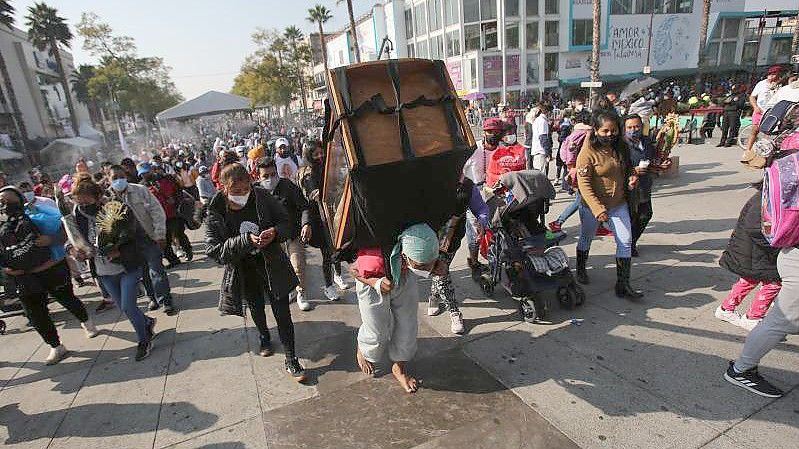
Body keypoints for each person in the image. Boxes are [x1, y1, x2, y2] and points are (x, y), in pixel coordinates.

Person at [205, 163, 306, 381]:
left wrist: (275, 232)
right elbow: (213, 250)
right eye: (236, 192)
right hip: (243, 269)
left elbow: (287, 222)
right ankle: (263, 336)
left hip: (271, 263)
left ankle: (291, 358)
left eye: (245, 189)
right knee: (256, 307)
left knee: (282, 312)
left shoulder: (262, 197)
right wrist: (244, 242)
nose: (242, 195)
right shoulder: (216, 210)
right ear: (224, 188)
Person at [0, 186, 97, 365]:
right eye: (1, 202)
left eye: (9, 201)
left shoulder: (38, 213)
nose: (5, 205)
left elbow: (65, 229)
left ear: (20, 201)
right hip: (25, 279)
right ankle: (56, 345)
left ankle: (86, 321)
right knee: (35, 314)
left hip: (51, 268)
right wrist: (6, 270)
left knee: (68, 299)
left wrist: (51, 240)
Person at [351, 223, 445, 393]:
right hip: (373, 280)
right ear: (404, 255)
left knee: (408, 325)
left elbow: (427, 258)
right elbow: (354, 270)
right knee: (377, 328)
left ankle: (399, 367)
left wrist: (436, 265)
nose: (427, 270)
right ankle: (363, 348)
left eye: (429, 265)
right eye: (422, 266)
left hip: (404, 277)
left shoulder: (420, 248)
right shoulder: (375, 259)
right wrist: (375, 282)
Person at [71, 175, 156, 361]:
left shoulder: (116, 209)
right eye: (80, 202)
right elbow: (72, 237)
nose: (84, 206)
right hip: (104, 271)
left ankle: (144, 340)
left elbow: (135, 235)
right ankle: (147, 322)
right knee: (123, 307)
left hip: (127, 266)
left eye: (87, 201)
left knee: (128, 306)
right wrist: (75, 249)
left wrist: (120, 250)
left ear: (98, 196)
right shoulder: (78, 215)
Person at [574, 110, 643, 299]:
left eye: (613, 131)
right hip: (592, 206)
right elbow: (584, 184)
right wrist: (597, 209)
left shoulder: (621, 146)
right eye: (605, 131)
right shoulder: (587, 152)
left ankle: (623, 285)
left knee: (625, 240)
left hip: (618, 203)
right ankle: (580, 269)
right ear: (595, 130)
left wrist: (632, 177)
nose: (609, 135)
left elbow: (628, 167)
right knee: (586, 238)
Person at [109, 165, 178, 316]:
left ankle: (165, 300)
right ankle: (152, 297)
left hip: (147, 237)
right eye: (114, 178)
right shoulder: (107, 199)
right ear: (109, 179)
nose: (118, 180)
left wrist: (160, 234)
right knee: (143, 272)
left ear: (126, 177)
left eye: (121, 177)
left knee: (156, 270)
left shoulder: (139, 190)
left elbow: (157, 211)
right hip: (128, 245)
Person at [715, 186, 781, 331]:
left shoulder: (769, 192)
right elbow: (755, 227)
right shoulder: (769, 197)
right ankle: (754, 317)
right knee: (774, 283)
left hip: (752, 250)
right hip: (759, 250)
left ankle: (726, 309)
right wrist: (777, 241)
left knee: (750, 279)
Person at [428, 177, 489, 334]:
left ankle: (437, 298)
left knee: (441, 272)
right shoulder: (429, 178)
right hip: (428, 237)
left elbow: (480, 208)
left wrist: (482, 221)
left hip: (451, 240)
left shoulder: (467, 186)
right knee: (440, 273)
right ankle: (454, 311)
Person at [257, 157, 312, 311]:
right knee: (281, 268)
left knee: (298, 264)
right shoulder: (256, 192)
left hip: (293, 234)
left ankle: (301, 293)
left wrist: (306, 223)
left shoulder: (288, 186)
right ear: (258, 177)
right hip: (272, 239)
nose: (270, 179)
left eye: (273, 174)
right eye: (265, 176)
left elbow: (304, 207)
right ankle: (290, 289)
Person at [297, 141, 349, 301]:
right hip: (318, 218)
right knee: (327, 254)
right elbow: (315, 195)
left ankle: (338, 276)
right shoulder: (307, 174)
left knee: (337, 248)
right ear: (309, 156)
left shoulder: (327, 167)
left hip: (332, 213)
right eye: (315, 154)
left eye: (321, 152)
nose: (320, 156)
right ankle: (328, 286)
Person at [463, 117, 505, 279]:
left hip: (499, 193)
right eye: (489, 131)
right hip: (476, 194)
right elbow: (461, 173)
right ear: (484, 132)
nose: (492, 134)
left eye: (496, 132)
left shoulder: (504, 150)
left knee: (501, 229)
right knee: (476, 233)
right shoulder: (474, 150)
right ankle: (473, 262)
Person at [138, 162, 192, 266]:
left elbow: (179, 191)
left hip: (174, 213)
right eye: (142, 174)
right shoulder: (142, 187)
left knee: (179, 234)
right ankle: (173, 260)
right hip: (158, 218)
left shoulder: (166, 179)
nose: (144, 175)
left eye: (146, 172)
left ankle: (187, 250)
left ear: (151, 170)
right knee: (164, 239)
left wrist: (175, 200)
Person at [622, 114, 656, 257]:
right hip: (627, 187)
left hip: (644, 185)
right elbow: (615, 166)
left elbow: (652, 159)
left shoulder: (647, 141)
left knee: (646, 214)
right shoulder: (621, 145)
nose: (633, 130)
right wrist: (632, 170)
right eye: (629, 127)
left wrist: (659, 166)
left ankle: (632, 241)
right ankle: (627, 245)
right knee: (630, 217)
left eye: (636, 126)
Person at [747, 66, 782, 152]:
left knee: (767, 134)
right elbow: (752, 97)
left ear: (778, 75)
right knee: (754, 131)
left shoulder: (782, 85)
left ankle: (764, 152)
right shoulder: (761, 84)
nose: (771, 76)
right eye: (770, 74)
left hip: (772, 113)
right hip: (759, 111)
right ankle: (748, 150)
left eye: (774, 74)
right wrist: (755, 107)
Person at [528, 103, 553, 173]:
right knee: (541, 175)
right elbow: (543, 138)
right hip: (541, 151)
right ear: (548, 112)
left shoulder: (538, 120)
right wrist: (547, 152)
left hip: (537, 151)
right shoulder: (542, 121)